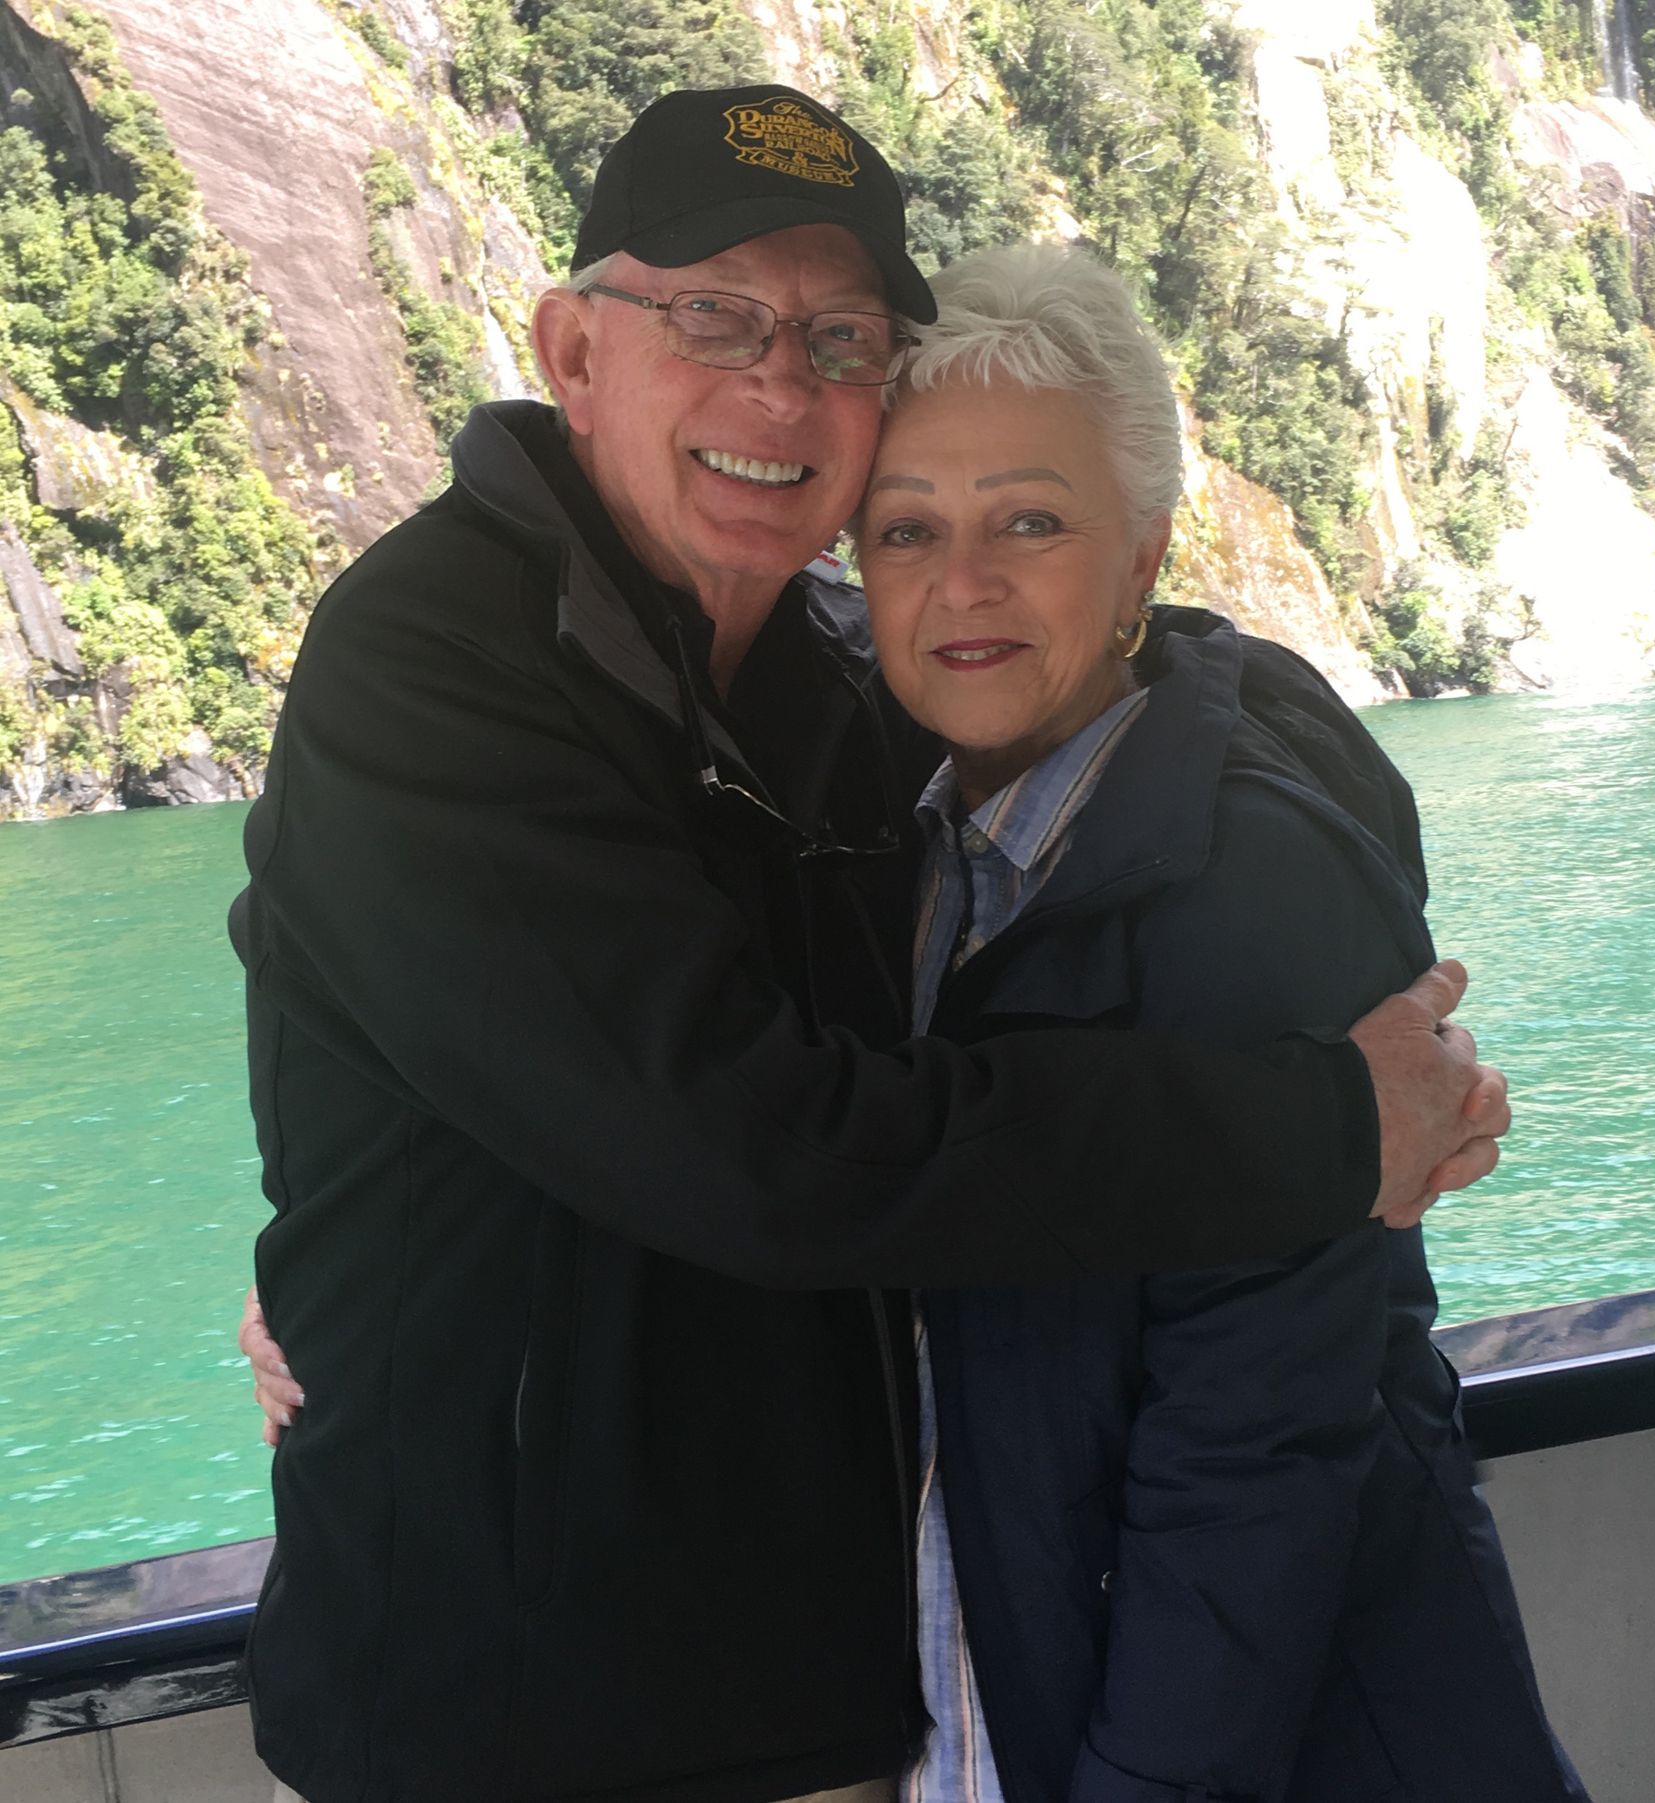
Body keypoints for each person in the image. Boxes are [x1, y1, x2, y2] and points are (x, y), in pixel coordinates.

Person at [232, 84, 1511, 1803]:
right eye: (713, 316)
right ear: (574, 350)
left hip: (822, 1699)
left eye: (839, 338)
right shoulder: (434, 664)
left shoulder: (838, 685)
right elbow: (760, 1143)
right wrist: (1330, 1126)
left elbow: (1254, 1437)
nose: (779, 386)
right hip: (507, 1722)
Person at [849, 242, 1586, 1801]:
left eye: (1031, 521)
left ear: (1143, 557)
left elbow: (1255, 1458)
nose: (963, 581)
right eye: (908, 528)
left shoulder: (1252, 879)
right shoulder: (909, 854)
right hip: (994, 1697)